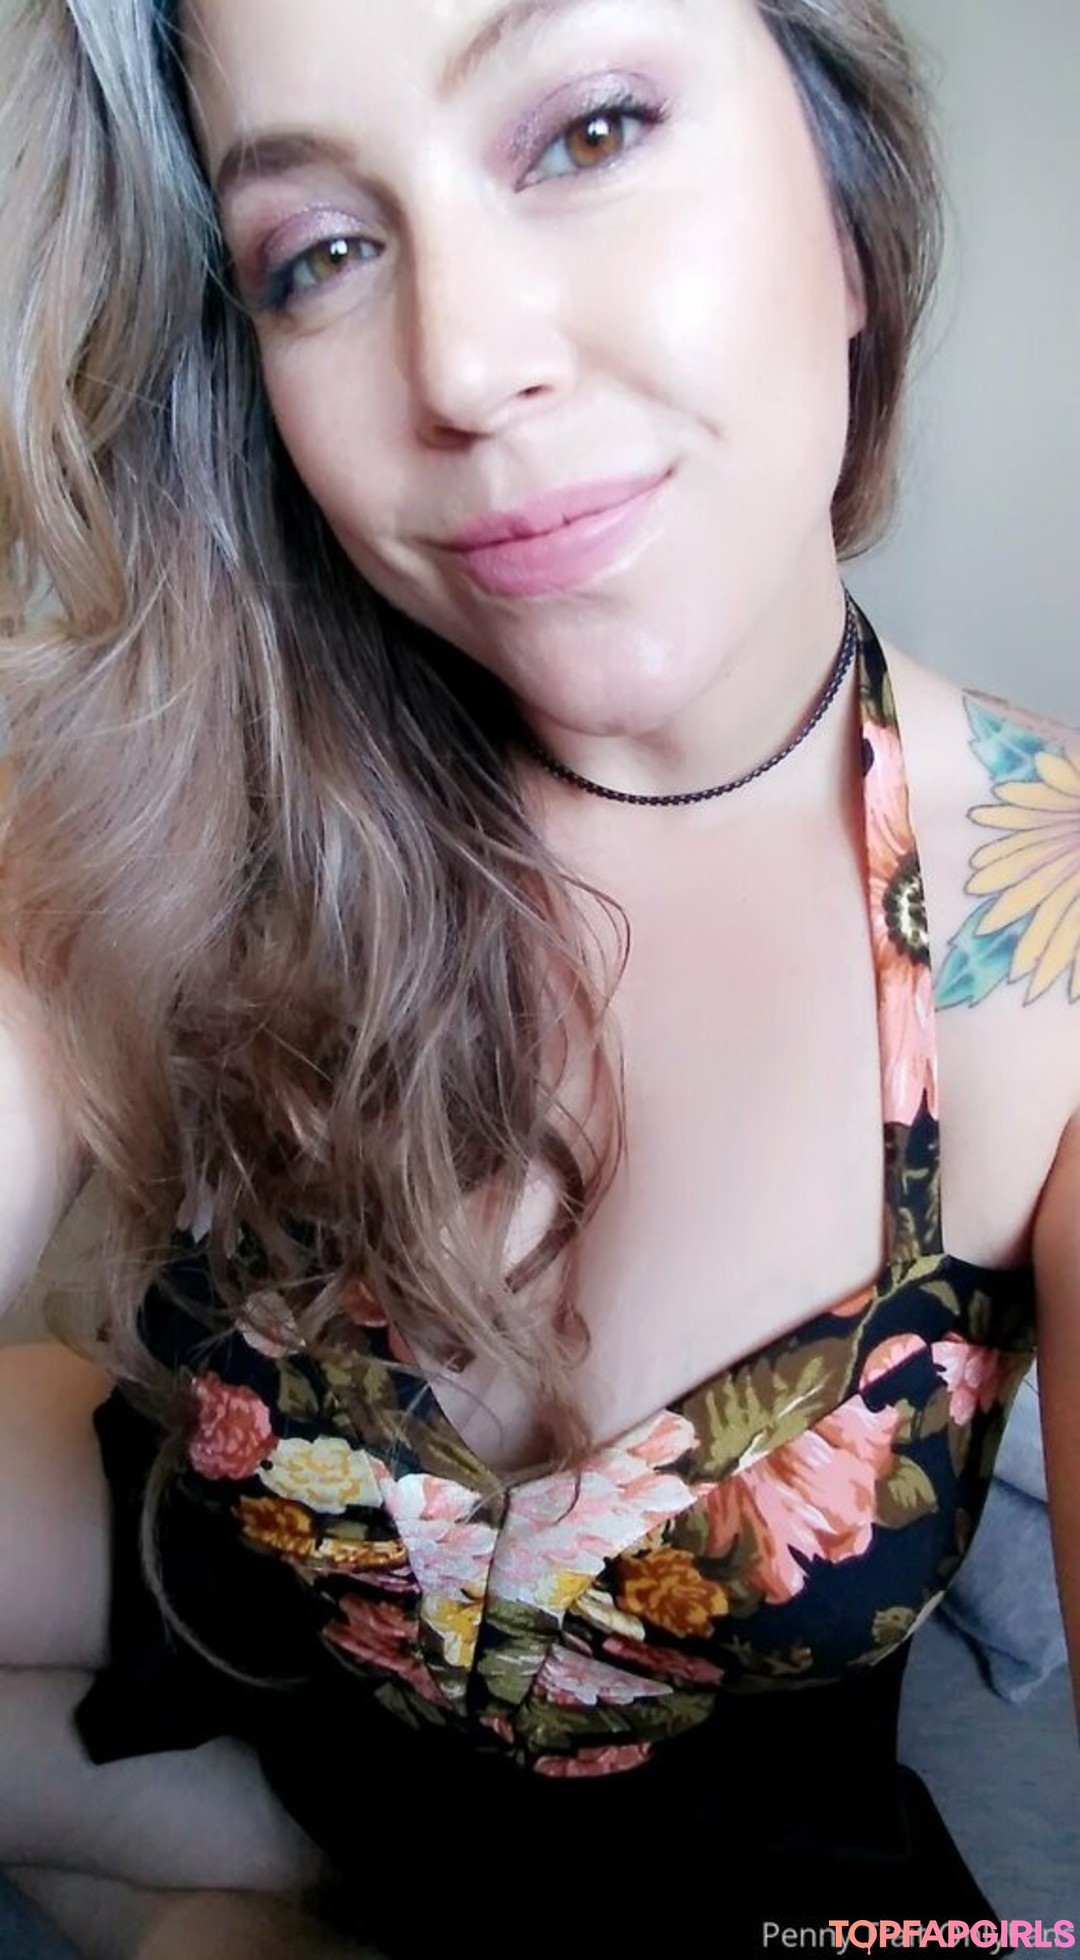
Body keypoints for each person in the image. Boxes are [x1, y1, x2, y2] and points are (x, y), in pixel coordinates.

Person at [0, 0, 1077, 1954]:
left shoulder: (1045, 936)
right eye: (322, 252)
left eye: (587, 131)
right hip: (275, 1626)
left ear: (846, 217)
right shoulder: (204, 785)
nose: (463, 364)